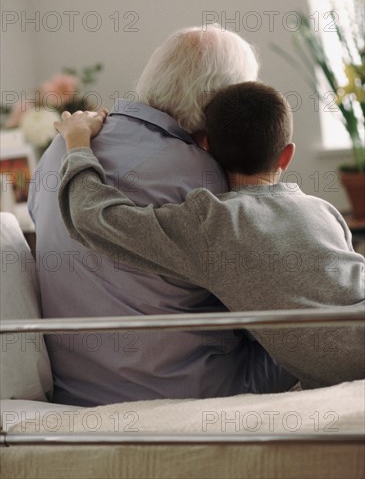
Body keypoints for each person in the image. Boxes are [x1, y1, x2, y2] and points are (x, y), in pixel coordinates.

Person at [29, 26, 294, 407]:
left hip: (78, 395)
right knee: (303, 329)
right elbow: (256, 289)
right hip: (187, 393)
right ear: (223, 104)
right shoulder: (204, 176)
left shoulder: (62, 146)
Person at [55, 81, 365, 389]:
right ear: (286, 156)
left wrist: (78, 141)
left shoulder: (211, 224)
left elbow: (94, 217)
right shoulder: (325, 211)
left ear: (205, 146)